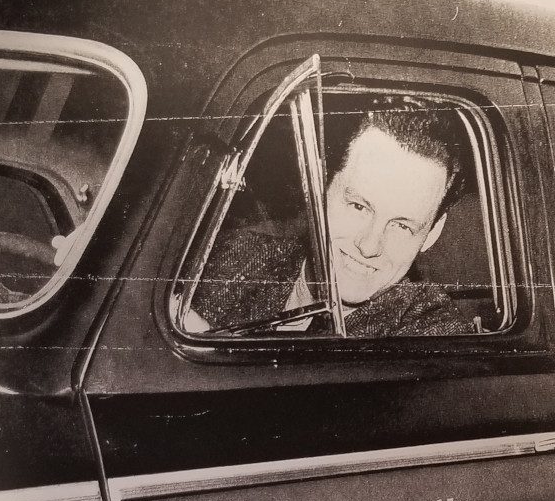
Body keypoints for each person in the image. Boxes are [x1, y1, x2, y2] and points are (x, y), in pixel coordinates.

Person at [189, 104, 472, 336]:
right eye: (359, 207)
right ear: (318, 192)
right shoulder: (234, 257)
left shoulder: (436, 334)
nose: (370, 245)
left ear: (432, 233)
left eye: (402, 225)